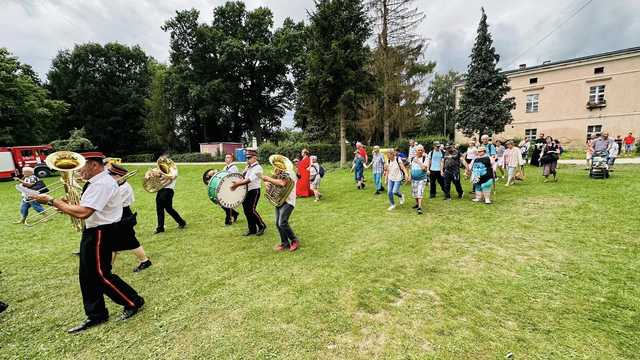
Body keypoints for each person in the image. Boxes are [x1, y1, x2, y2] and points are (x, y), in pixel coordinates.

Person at [31, 154, 144, 333]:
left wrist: (53, 201)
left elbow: (84, 212)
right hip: (93, 231)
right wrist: (64, 205)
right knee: (87, 275)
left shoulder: (102, 184)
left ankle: (133, 301)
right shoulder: (95, 183)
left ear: (93, 165)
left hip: (101, 232)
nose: (77, 171)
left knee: (100, 275)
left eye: (81, 167)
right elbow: (84, 208)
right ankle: (96, 314)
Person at [107, 163, 152, 273]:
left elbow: (111, 203)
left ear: (118, 176)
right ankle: (107, 268)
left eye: (110, 175)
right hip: (117, 215)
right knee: (112, 243)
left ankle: (145, 261)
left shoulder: (124, 188)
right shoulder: (117, 185)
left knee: (130, 240)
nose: (108, 177)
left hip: (123, 215)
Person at [261, 161, 300, 252]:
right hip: (279, 200)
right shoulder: (279, 173)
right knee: (278, 224)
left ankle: (294, 240)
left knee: (282, 222)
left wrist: (268, 179)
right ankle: (285, 243)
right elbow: (273, 183)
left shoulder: (290, 172)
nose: (276, 168)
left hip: (288, 201)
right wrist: (267, 184)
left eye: (279, 166)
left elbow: (282, 183)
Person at [231, 149, 266, 236]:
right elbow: (243, 177)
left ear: (255, 158)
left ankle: (262, 226)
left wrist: (237, 184)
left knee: (252, 210)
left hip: (254, 191)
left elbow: (248, 180)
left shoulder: (258, 168)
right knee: (246, 211)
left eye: (249, 158)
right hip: (246, 191)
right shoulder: (249, 167)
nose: (247, 160)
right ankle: (252, 229)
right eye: (247, 158)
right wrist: (244, 171)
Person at [154, 154, 186, 234]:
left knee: (163, 209)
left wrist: (162, 174)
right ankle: (181, 222)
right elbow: (159, 178)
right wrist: (155, 175)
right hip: (162, 190)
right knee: (166, 209)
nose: (161, 162)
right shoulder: (162, 168)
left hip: (167, 190)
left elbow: (172, 177)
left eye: (163, 160)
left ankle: (161, 227)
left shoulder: (173, 168)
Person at [220, 154, 240, 225]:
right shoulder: (225, 167)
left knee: (226, 203)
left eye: (228, 157)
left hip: (232, 188)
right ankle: (235, 213)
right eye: (225, 157)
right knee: (222, 203)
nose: (226, 159)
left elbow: (232, 178)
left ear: (232, 159)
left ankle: (228, 220)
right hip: (226, 188)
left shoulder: (234, 168)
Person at [409, 145, 428, 214]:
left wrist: (418, 162)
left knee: (419, 192)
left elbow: (424, 169)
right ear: (416, 151)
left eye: (421, 150)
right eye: (418, 150)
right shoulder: (412, 158)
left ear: (423, 151)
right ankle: (417, 204)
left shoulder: (425, 158)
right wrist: (409, 176)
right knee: (415, 193)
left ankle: (419, 207)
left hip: (422, 179)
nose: (420, 151)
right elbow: (410, 168)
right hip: (414, 178)